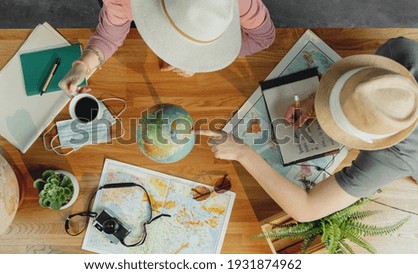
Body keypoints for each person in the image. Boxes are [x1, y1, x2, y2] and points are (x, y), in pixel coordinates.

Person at [199, 37, 418, 222]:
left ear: (370, 140)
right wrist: (314, 101)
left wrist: (242, 152)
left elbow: (307, 210)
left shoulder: (394, 157)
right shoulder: (399, 52)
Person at [59, 0, 276, 96]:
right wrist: (83, 66)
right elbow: (110, 32)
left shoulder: (240, 3)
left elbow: (263, 38)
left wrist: (201, 60)